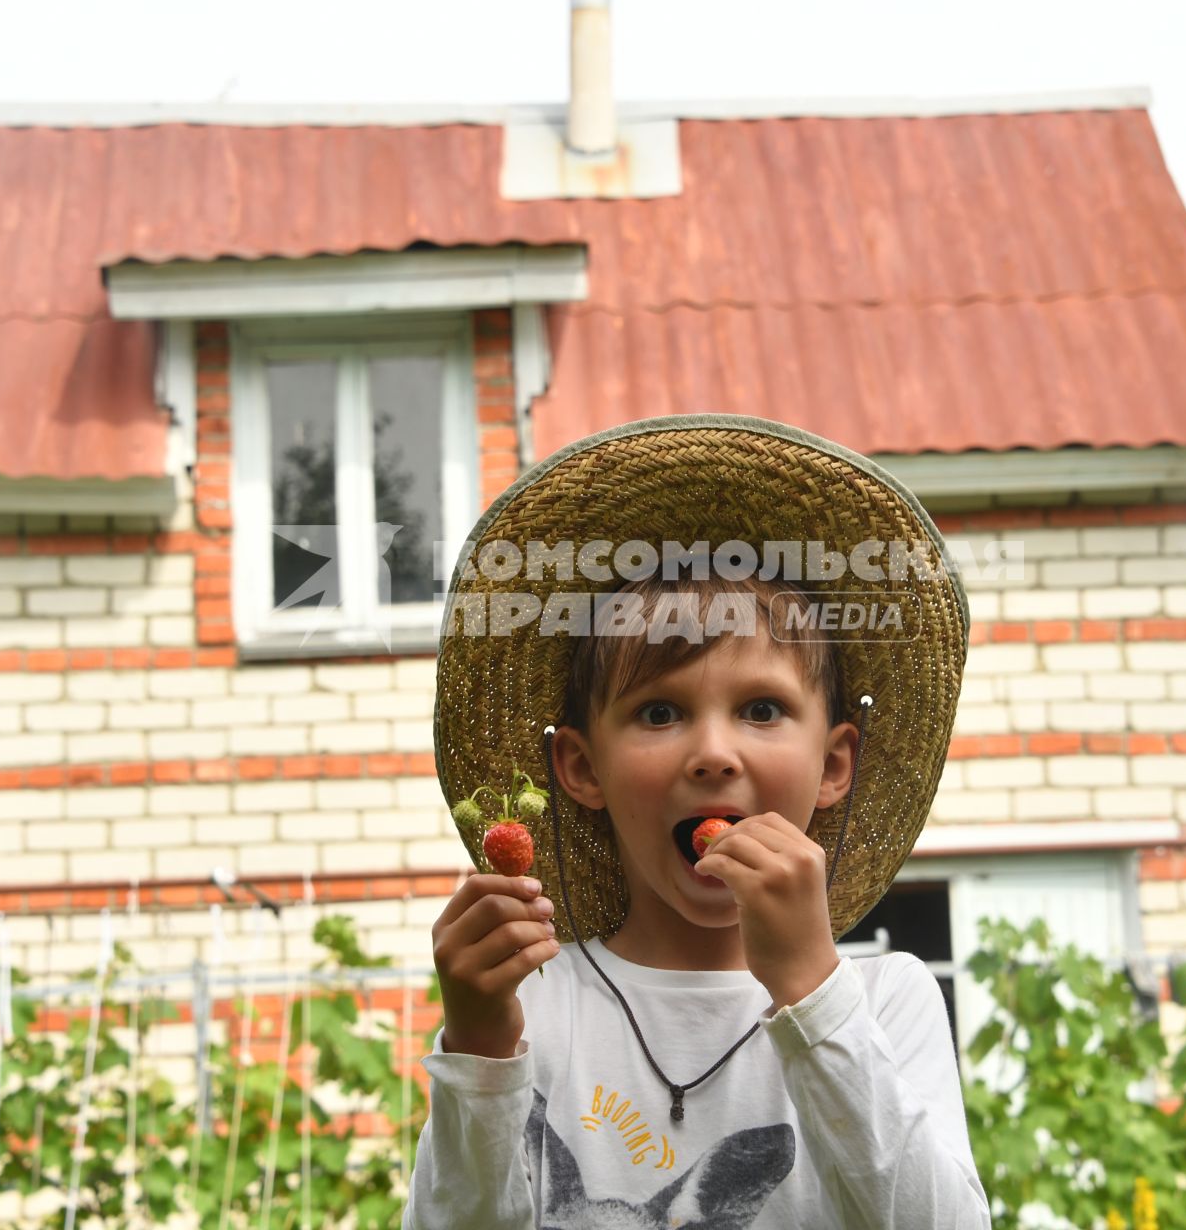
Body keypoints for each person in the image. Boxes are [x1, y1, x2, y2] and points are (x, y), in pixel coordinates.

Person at [405, 414, 991, 1228]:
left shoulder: (886, 1001)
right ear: (580, 768)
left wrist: (812, 990)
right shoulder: (536, 1011)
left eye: (760, 708)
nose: (714, 753)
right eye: (658, 713)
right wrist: (478, 1047)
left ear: (833, 765)